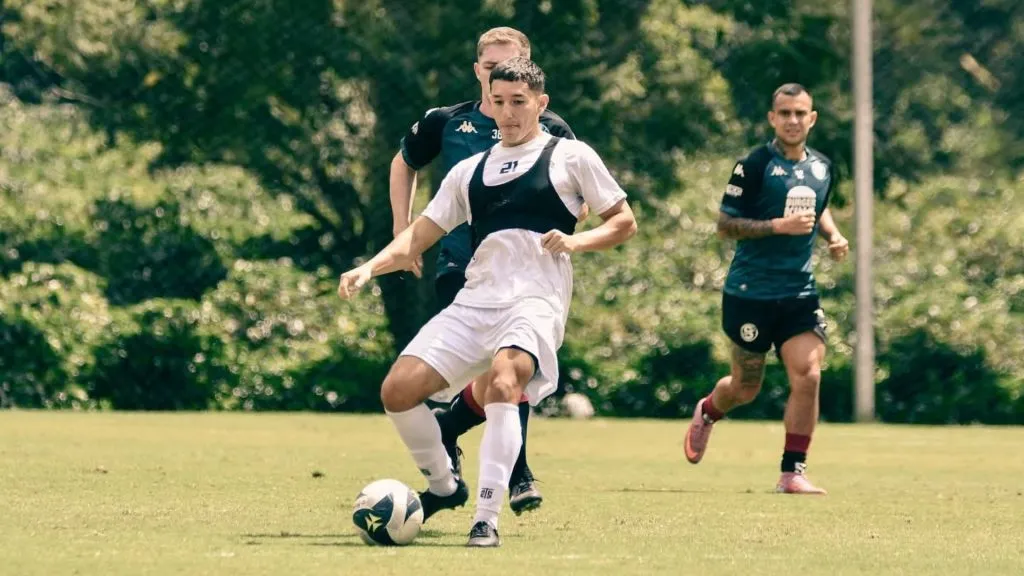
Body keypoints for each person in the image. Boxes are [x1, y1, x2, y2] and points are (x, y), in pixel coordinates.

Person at [339, 57, 637, 547]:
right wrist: (369, 267)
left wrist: (577, 242)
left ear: (541, 103)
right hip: (478, 300)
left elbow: (623, 220)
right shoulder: (469, 170)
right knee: (397, 390)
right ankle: (444, 484)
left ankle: (486, 516)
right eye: (499, 102)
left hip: (535, 299)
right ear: (488, 103)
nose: (509, 113)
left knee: (504, 379)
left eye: (519, 102)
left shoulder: (572, 155)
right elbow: (418, 237)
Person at [389, 26, 580, 516]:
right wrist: (401, 230)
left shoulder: (553, 128)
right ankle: (504, 471)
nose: (499, 75)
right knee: (496, 369)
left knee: (508, 365)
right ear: (478, 70)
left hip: (526, 273)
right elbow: (403, 161)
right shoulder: (448, 121)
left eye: (510, 66)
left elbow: (572, 193)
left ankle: (470, 444)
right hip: (462, 264)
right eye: (491, 68)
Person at [683, 83, 849, 495]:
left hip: (798, 293)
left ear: (812, 118)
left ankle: (792, 471)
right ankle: (707, 411)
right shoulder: (753, 165)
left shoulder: (823, 167)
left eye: (801, 113)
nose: (793, 120)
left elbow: (818, 206)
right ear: (772, 118)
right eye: (785, 113)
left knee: (808, 375)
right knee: (745, 388)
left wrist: (833, 235)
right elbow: (725, 225)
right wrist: (777, 226)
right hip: (749, 293)